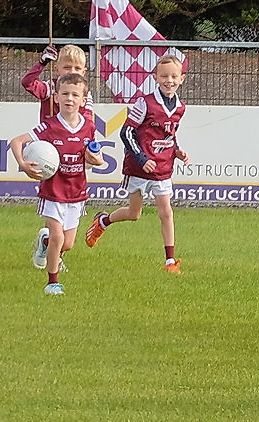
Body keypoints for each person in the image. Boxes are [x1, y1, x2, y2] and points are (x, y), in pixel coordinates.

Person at [84, 50, 188, 271]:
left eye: (173, 77)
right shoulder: (145, 103)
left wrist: (177, 151)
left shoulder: (180, 107)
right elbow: (127, 133)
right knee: (134, 214)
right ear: (155, 77)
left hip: (163, 167)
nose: (169, 81)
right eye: (164, 76)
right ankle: (104, 221)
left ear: (181, 79)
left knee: (166, 211)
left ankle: (170, 260)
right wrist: (142, 159)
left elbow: (170, 134)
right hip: (139, 167)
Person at [12, 72, 108, 294]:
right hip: (53, 192)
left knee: (67, 244)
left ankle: (44, 243)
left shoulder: (88, 127)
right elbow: (16, 142)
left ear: (84, 100)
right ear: (56, 97)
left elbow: (97, 158)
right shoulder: (49, 126)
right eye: (65, 94)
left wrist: (95, 159)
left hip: (76, 193)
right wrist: (23, 164)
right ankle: (52, 282)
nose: (70, 99)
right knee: (57, 236)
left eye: (75, 95)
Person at [22, 43, 88, 121]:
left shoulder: (84, 93)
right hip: (49, 132)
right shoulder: (50, 87)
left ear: (83, 72)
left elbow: (88, 119)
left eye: (77, 68)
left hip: (72, 132)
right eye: (67, 67)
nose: (72, 72)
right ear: (57, 70)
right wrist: (42, 63)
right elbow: (27, 82)